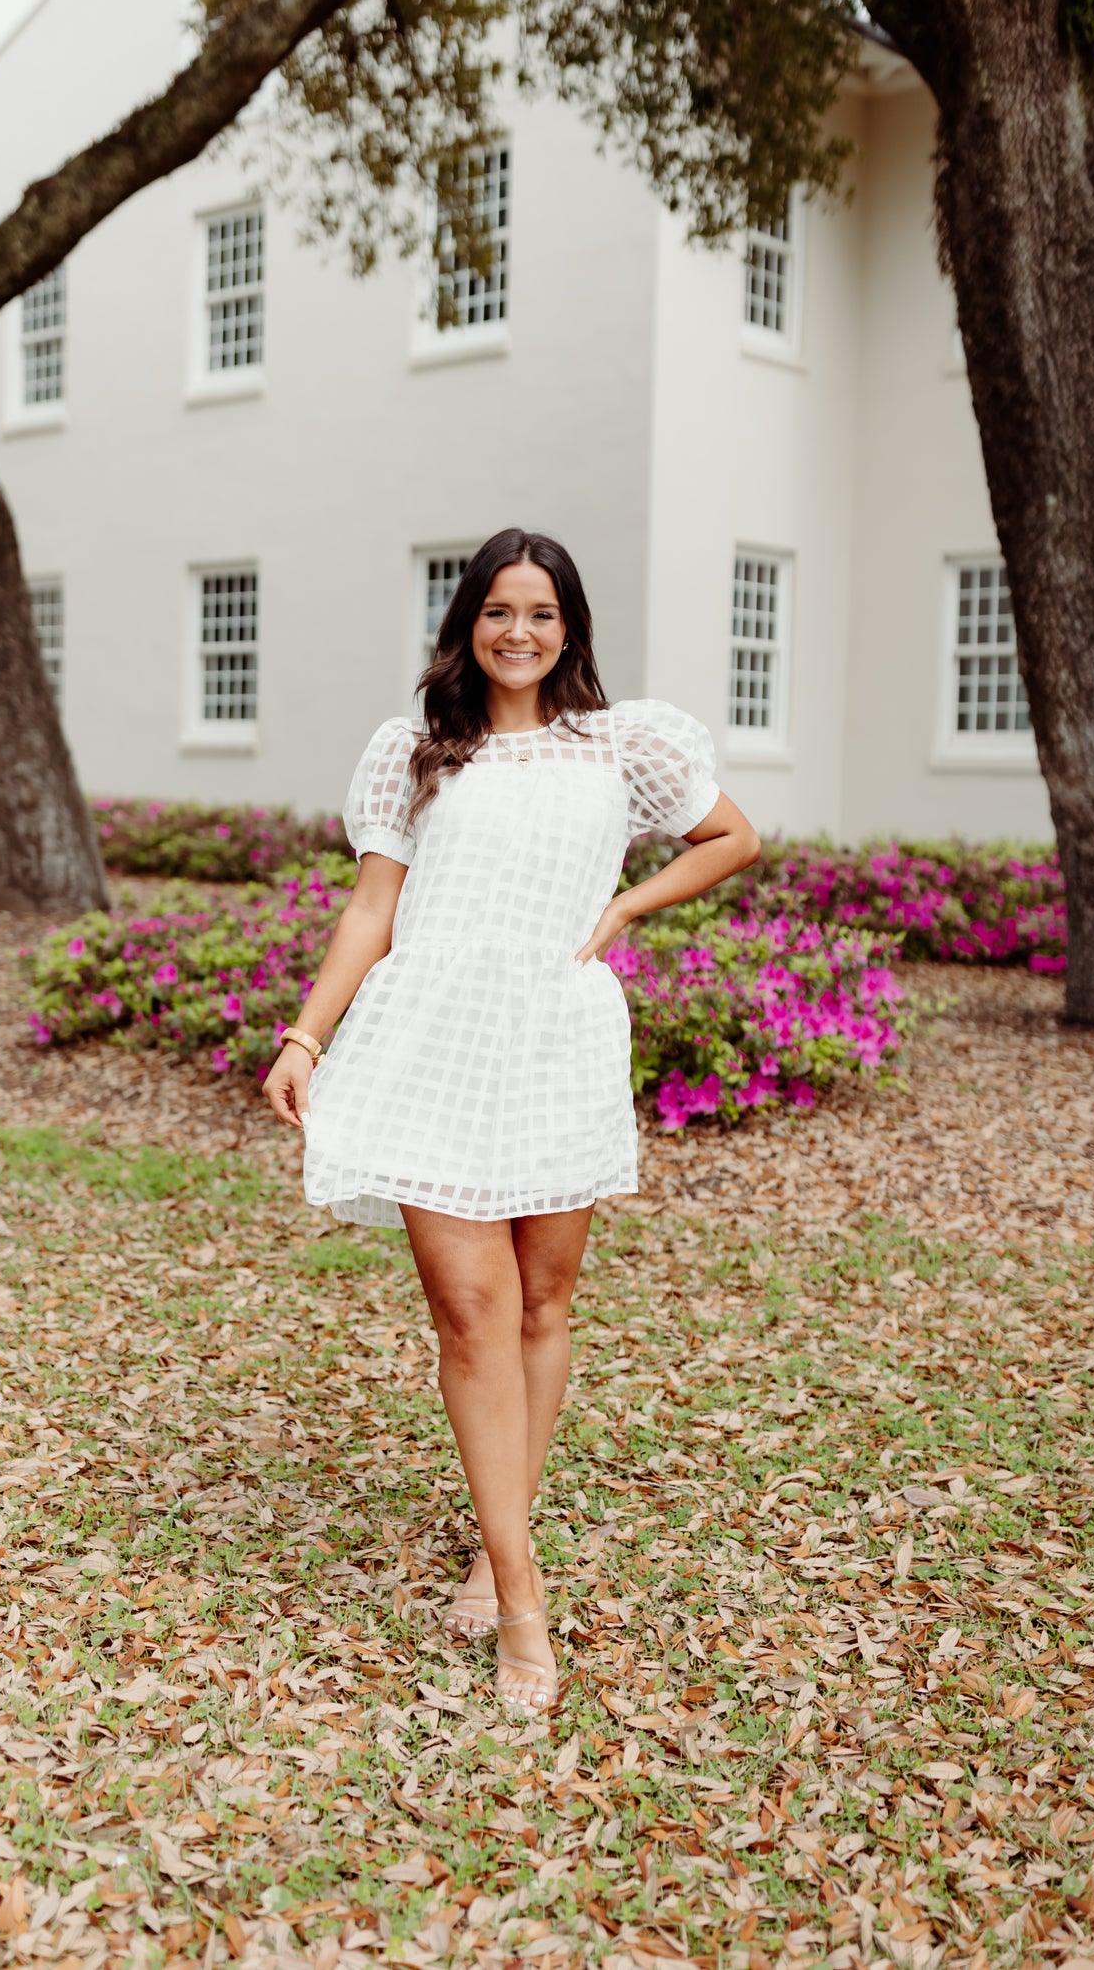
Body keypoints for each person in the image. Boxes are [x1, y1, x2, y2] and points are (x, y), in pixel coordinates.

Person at [264, 529, 760, 1713]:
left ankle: (496, 1540)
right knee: (470, 1311)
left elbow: (732, 837)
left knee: (542, 1302)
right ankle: (524, 1603)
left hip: (556, 1039)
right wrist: (304, 1034)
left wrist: (627, 906)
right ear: (467, 625)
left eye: (540, 612)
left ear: (569, 626)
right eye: (497, 611)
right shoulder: (416, 750)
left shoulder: (620, 743)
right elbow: (370, 907)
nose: (518, 632)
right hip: (430, 1039)